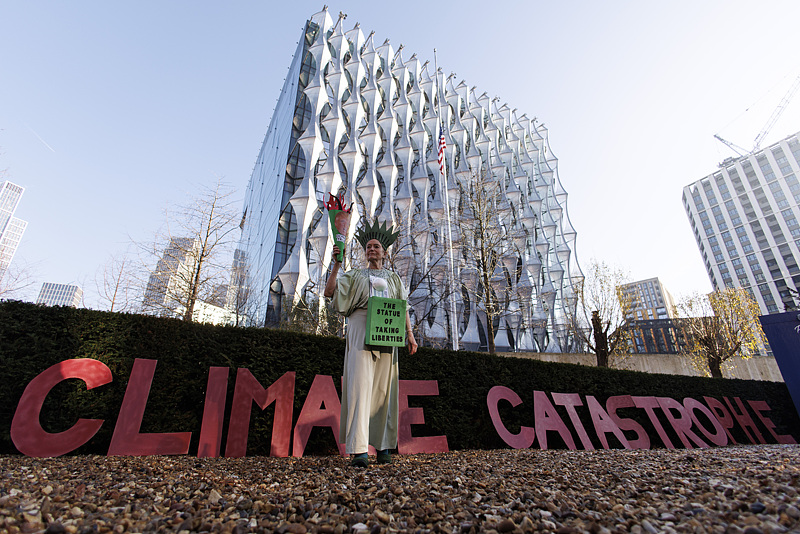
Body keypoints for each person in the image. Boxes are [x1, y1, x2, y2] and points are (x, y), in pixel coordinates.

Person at [323, 219, 418, 467]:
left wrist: (410, 334)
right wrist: (336, 265)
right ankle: (359, 450)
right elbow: (329, 292)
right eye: (368, 247)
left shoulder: (394, 279)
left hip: (389, 331)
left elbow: (403, 306)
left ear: (385, 252)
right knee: (359, 387)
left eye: (376, 246)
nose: (371, 249)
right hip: (361, 327)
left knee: (384, 391)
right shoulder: (354, 275)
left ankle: (385, 447)